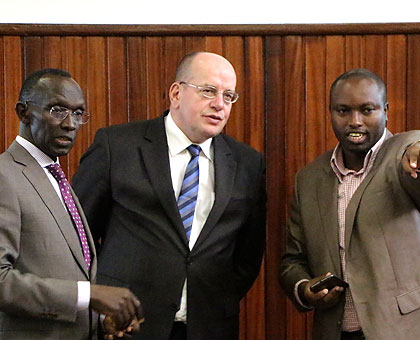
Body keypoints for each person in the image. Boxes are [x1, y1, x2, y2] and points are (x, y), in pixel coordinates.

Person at [72, 51, 266, 340]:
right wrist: (104, 299)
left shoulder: (247, 163)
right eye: (209, 91)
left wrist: (216, 299)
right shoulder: (117, 146)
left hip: (208, 326)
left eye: (228, 96)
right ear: (176, 93)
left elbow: (248, 255)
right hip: (127, 325)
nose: (219, 105)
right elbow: (77, 237)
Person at [0, 68, 143, 339]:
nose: (71, 124)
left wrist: (100, 322)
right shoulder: (4, 176)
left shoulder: (56, 177)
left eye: (78, 113)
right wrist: (89, 294)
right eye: (57, 110)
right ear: (23, 112)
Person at [279, 68, 420, 340]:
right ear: (330, 112)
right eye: (343, 111)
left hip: (401, 330)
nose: (355, 121)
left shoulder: (401, 158)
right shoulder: (308, 180)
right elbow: (292, 260)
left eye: (367, 110)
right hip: (335, 331)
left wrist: (416, 155)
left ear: (385, 110)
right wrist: (306, 289)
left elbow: (413, 145)